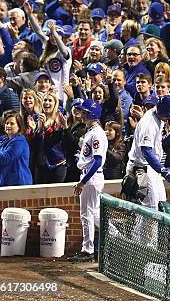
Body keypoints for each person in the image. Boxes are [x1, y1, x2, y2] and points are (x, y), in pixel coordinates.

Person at [67, 99, 107, 262]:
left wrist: (83, 182)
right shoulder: (91, 131)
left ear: (91, 114)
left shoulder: (96, 133)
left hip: (91, 176)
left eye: (84, 112)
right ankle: (116, 237)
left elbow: (97, 160)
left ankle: (88, 250)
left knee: (87, 214)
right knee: (95, 214)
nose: (82, 114)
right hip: (91, 175)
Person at [126, 94, 170, 210]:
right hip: (141, 167)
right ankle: (143, 229)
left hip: (152, 167)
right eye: (167, 115)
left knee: (161, 204)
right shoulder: (148, 123)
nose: (168, 118)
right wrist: (162, 169)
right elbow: (146, 151)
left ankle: (152, 229)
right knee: (151, 208)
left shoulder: (158, 116)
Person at [0, 111, 32, 187]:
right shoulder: (5, 139)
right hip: (5, 182)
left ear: (19, 126)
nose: (8, 125)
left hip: (18, 184)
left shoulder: (19, 141)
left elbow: (5, 158)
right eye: (7, 123)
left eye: (12, 123)